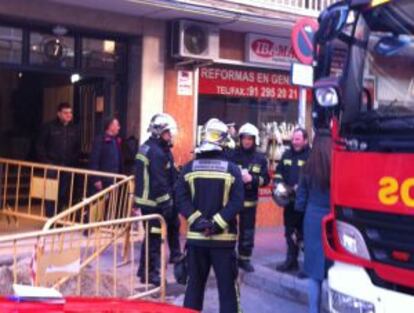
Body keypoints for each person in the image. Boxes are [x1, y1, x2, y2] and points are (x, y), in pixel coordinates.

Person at [176, 118, 244, 313]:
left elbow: (181, 199)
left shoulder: (189, 168)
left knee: (194, 290)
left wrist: (198, 222)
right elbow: (237, 202)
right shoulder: (232, 169)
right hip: (224, 241)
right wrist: (215, 224)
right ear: (223, 141)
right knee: (228, 292)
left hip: (196, 240)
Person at [135, 113, 182, 286]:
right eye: (167, 133)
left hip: (151, 201)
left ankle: (144, 269)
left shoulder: (154, 148)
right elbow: (159, 181)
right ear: (158, 132)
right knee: (154, 239)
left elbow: (168, 174)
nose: (170, 136)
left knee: (169, 227)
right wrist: (167, 202)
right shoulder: (156, 152)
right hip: (153, 203)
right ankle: (150, 274)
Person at [295, 130, 332, 313]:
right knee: (335, 268)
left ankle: (313, 310)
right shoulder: (338, 165)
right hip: (334, 219)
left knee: (314, 272)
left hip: (312, 220)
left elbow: (300, 202)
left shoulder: (308, 167)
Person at [228, 123, 270, 272]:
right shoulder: (231, 155)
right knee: (230, 230)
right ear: (240, 139)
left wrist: (252, 179)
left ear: (254, 140)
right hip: (232, 200)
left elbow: (266, 179)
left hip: (250, 201)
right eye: (244, 138)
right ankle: (229, 258)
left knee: (247, 232)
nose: (246, 141)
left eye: (249, 139)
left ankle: (244, 259)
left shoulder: (260, 158)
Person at [273, 128, 310, 272]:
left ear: (305, 140)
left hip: (304, 202)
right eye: (294, 139)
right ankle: (291, 260)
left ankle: (308, 265)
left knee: (304, 233)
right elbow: (278, 173)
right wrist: (279, 185)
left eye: (298, 139)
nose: (294, 142)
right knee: (289, 231)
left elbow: (313, 177)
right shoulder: (286, 154)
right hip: (289, 201)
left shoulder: (310, 156)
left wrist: (300, 186)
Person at [36, 102, 80, 217]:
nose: (69, 115)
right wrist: (46, 162)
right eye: (65, 113)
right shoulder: (49, 127)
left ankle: (58, 217)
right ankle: (50, 218)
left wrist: (72, 162)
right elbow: (40, 146)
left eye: (70, 113)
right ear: (59, 114)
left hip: (67, 166)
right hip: (52, 166)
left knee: (63, 194)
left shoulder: (74, 129)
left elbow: (77, 147)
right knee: (50, 193)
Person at [89, 117, 123, 193]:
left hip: (114, 179)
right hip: (103, 180)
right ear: (110, 126)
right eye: (117, 125)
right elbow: (94, 161)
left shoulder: (116, 140)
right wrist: (96, 179)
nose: (119, 128)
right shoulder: (99, 140)